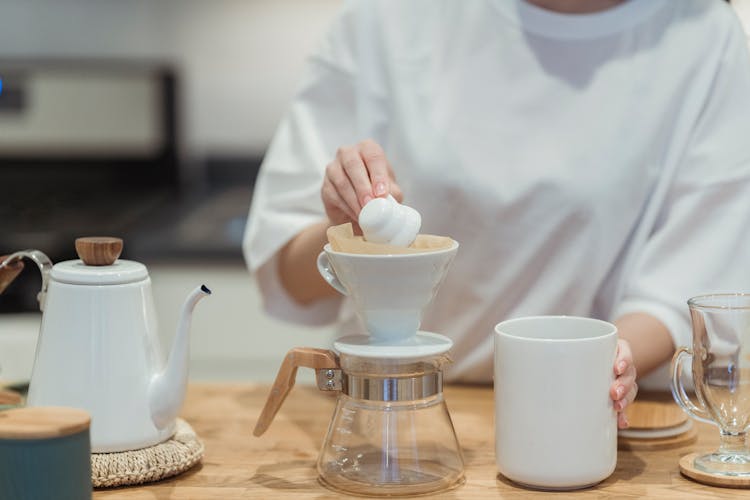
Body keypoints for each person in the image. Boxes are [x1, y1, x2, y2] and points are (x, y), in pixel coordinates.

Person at [243, 0, 750, 429]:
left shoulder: (706, 38)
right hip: (388, 418)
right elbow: (286, 274)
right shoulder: (388, 17)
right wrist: (350, 238)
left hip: (584, 418)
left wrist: (608, 360)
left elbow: (682, 290)